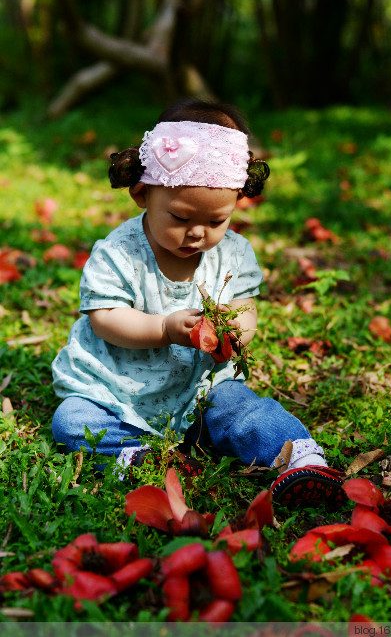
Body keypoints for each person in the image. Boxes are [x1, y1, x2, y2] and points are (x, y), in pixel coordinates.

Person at [51, 98, 344, 507]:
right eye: (181, 218)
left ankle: (297, 458)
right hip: (117, 390)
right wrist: (163, 328)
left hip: (201, 389)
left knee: (241, 407)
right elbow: (104, 318)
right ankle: (139, 457)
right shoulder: (119, 252)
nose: (197, 234)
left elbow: (246, 307)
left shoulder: (235, 254)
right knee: (73, 421)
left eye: (215, 221)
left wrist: (235, 329)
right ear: (142, 194)